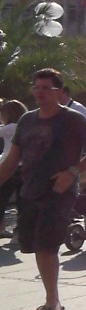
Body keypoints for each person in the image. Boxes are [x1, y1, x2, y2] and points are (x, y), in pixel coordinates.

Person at [0, 69, 86, 310]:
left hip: (59, 191)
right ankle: (50, 299)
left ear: (59, 92)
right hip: (30, 189)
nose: (40, 92)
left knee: (47, 246)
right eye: (36, 87)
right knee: (36, 245)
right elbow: (12, 159)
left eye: (46, 88)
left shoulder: (72, 119)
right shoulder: (27, 120)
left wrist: (72, 172)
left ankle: (53, 301)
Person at [0, 99, 26, 239]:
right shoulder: (25, 125)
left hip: (9, 165)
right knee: (22, 201)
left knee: (2, 197)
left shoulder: (11, 127)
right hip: (23, 166)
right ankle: (19, 230)